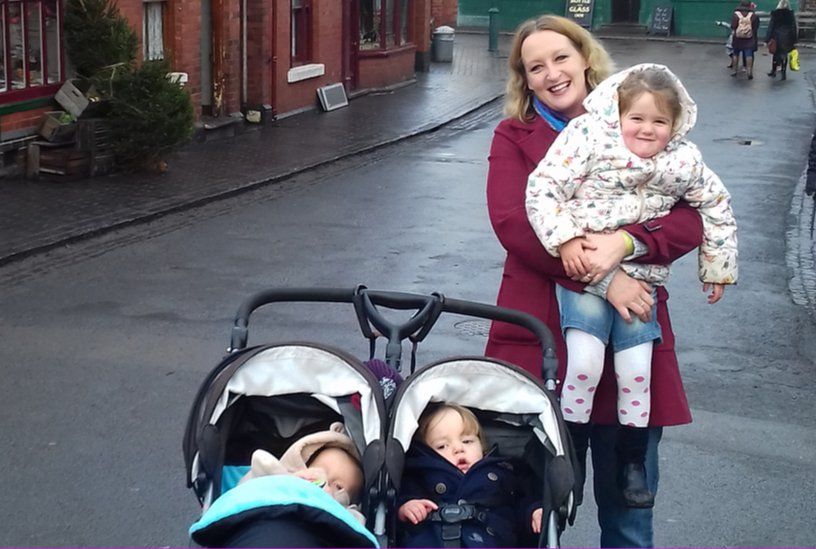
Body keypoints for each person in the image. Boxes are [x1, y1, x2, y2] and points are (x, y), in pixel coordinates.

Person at [484, 14, 704, 548]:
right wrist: (607, 281)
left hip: (629, 336)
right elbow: (514, 222)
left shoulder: (640, 119)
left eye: (561, 57)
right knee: (529, 516)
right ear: (525, 79)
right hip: (542, 341)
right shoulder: (514, 135)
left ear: (585, 58)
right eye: (536, 67)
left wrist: (626, 244)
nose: (552, 74)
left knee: (627, 518)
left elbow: (690, 216)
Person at [525, 63, 738, 508]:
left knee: (637, 374)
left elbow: (715, 205)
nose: (647, 130)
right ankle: (572, 458)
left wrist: (716, 266)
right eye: (637, 119)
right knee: (583, 366)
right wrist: (565, 239)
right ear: (618, 115)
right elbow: (544, 188)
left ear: (675, 124)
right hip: (583, 274)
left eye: (660, 121)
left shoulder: (684, 160)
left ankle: (632, 462)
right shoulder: (588, 138)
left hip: (642, 281)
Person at [396, 404, 542, 548]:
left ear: (482, 445)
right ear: (426, 452)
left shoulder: (502, 471)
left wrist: (533, 511)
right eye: (442, 446)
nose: (459, 449)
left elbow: (522, 500)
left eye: (467, 441)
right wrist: (407, 506)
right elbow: (403, 495)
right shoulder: (422, 472)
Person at [239, 422, 365, 523]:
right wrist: (284, 479)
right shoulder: (284, 477)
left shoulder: (346, 513)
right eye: (320, 471)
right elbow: (247, 488)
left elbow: (356, 525)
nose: (326, 483)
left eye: (338, 486)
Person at [766, 0, 798, 80]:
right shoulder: (790, 15)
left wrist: (767, 38)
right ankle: (783, 73)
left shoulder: (775, 14)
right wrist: (794, 39)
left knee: (776, 54)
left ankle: (773, 71)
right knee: (784, 54)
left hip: (776, 36)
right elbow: (794, 27)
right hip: (788, 36)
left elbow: (771, 27)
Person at [730, 0, 759, 79]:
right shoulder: (753, 15)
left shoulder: (736, 14)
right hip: (749, 37)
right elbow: (756, 27)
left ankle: (734, 70)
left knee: (736, 53)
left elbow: (733, 26)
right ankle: (749, 71)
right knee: (748, 54)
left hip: (737, 37)